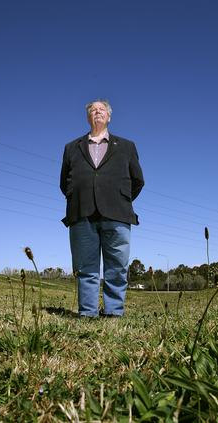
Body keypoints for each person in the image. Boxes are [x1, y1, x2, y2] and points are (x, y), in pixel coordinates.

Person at [60, 100, 144, 318]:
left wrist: (121, 199)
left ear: (109, 116)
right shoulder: (72, 147)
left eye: (102, 109)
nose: (97, 112)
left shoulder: (126, 146)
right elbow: (64, 183)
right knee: (86, 267)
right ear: (88, 117)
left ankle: (114, 313)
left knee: (117, 267)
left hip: (117, 214)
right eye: (93, 110)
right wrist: (78, 197)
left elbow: (138, 180)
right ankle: (87, 313)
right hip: (82, 214)